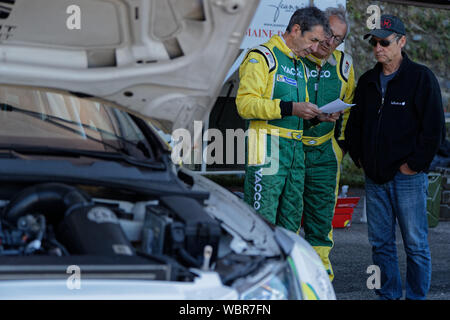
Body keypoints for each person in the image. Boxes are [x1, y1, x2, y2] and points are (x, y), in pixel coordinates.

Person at [345, 14, 444, 300]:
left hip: (408, 179)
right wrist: (358, 157)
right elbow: (354, 124)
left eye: (384, 42)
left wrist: (413, 166)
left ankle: (415, 297)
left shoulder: (421, 78)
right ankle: (387, 295)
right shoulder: (366, 82)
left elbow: (434, 129)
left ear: (401, 41)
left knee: (415, 243)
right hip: (374, 178)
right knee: (380, 243)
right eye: (374, 43)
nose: (378, 48)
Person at [236, 7, 338, 232]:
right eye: (312, 40)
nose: (314, 48)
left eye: (319, 42)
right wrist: (290, 108)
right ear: (295, 30)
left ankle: (286, 268)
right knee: (261, 222)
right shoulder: (262, 56)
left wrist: (317, 117)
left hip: (295, 151)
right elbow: (244, 105)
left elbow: (297, 114)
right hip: (266, 149)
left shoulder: (301, 64)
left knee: (290, 223)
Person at [300, 6, 355, 281]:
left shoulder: (344, 65)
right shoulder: (295, 56)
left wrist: (340, 147)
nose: (330, 43)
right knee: (286, 213)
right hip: (292, 147)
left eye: (338, 39)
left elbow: (348, 112)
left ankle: (321, 275)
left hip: (324, 150)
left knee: (321, 217)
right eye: (329, 35)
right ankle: (288, 271)